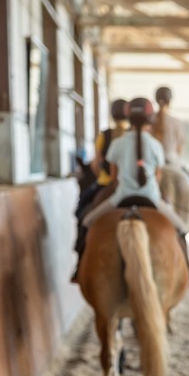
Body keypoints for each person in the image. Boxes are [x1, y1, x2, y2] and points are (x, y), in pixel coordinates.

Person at [78, 97, 189, 281]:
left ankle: (79, 268)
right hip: (152, 199)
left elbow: (114, 178)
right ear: (150, 121)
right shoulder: (155, 145)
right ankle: (188, 269)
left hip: (121, 198)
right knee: (180, 228)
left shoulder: (117, 144)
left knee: (86, 222)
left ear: (129, 119)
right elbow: (157, 177)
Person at [72, 98, 129, 282]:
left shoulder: (104, 135)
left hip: (106, 183)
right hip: (130, 185)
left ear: (112, 114)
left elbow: (96, 164)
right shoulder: (133, 135)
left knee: (81, 212)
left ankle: (80, 261)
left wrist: (100, 175)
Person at [152, 86, 189, 231]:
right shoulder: (176, 122)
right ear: (170, 101)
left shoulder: (150, 122)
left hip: (155, 167)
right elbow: (179, 150)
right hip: (172, 165)